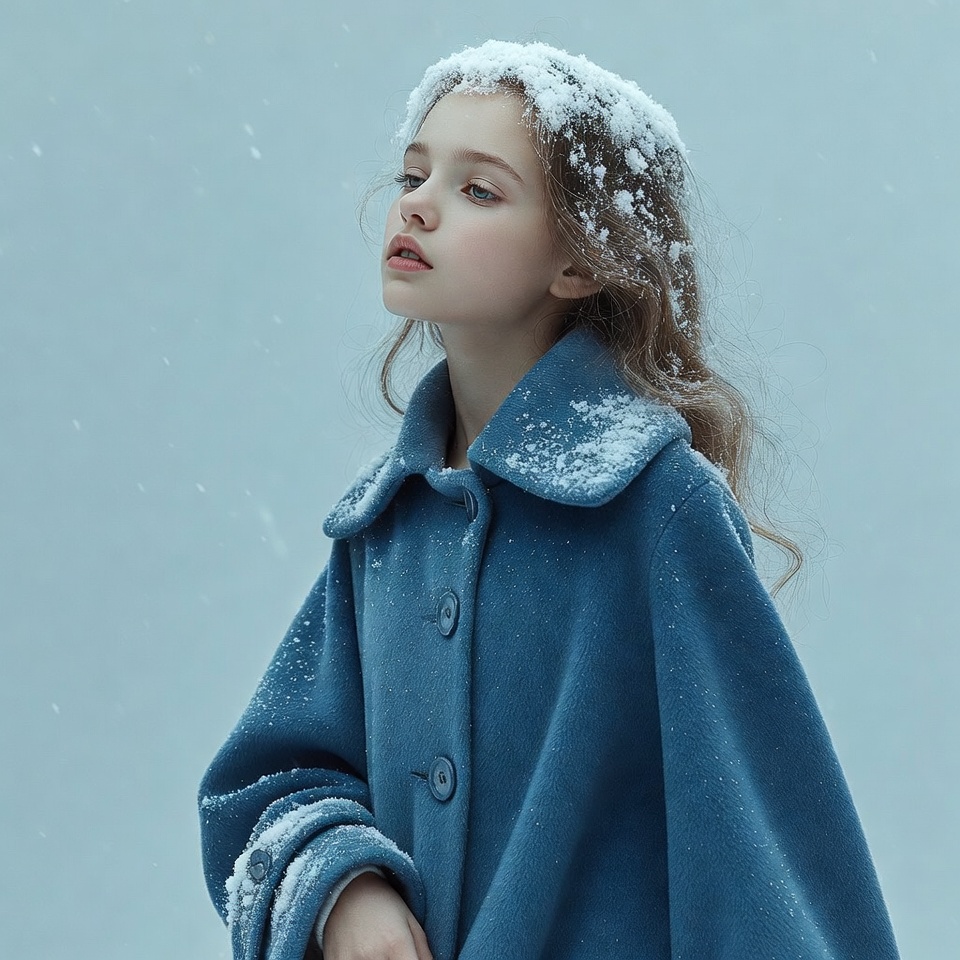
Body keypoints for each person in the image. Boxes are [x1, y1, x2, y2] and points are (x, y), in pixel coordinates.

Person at [198, 40, 900, 960]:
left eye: (478, 190)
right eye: (415, 173)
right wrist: (346, 889)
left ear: (580, 261)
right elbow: (270, 779)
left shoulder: (657, 507)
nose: (416, 203)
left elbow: (762, 863)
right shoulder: (387, 526)